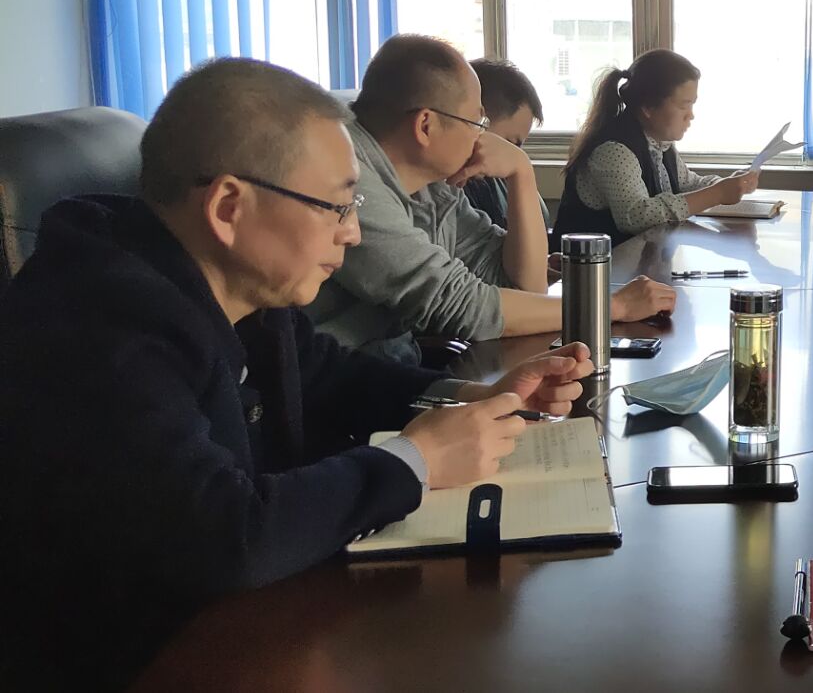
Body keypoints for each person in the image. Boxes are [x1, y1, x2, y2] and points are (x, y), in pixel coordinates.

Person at [0, 58, 598, 688]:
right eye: (335, 207)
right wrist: (417, 460)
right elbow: (224, 537)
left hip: (250, 621)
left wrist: (473, 395)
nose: (353, 233)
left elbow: (328, 375)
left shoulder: (242, 290)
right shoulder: (98, 325)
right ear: (229, 207)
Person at [305, 35, 676, 356]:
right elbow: (462, 306)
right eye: (477, 123)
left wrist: (521, 173)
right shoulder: (348, 181)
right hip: (340, 391)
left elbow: (523, 285)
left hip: (393, 367)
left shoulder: (434, 188)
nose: (481, 137)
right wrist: (610, 307)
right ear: (426, 125)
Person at [550, 49, 759, 244]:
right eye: (683, 105)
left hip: (637, 264)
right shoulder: (613, 150)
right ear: (648, 107)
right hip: (592, 267)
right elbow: (635, 216)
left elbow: (688, 184)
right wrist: (717, 194)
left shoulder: (659, 143)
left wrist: (728, 184)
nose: (691, 115)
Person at [463, 57, 548, 229]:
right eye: (510, 142)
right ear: (477, 121)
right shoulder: (462, 188)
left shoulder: (499, 178)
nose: (514, 154)